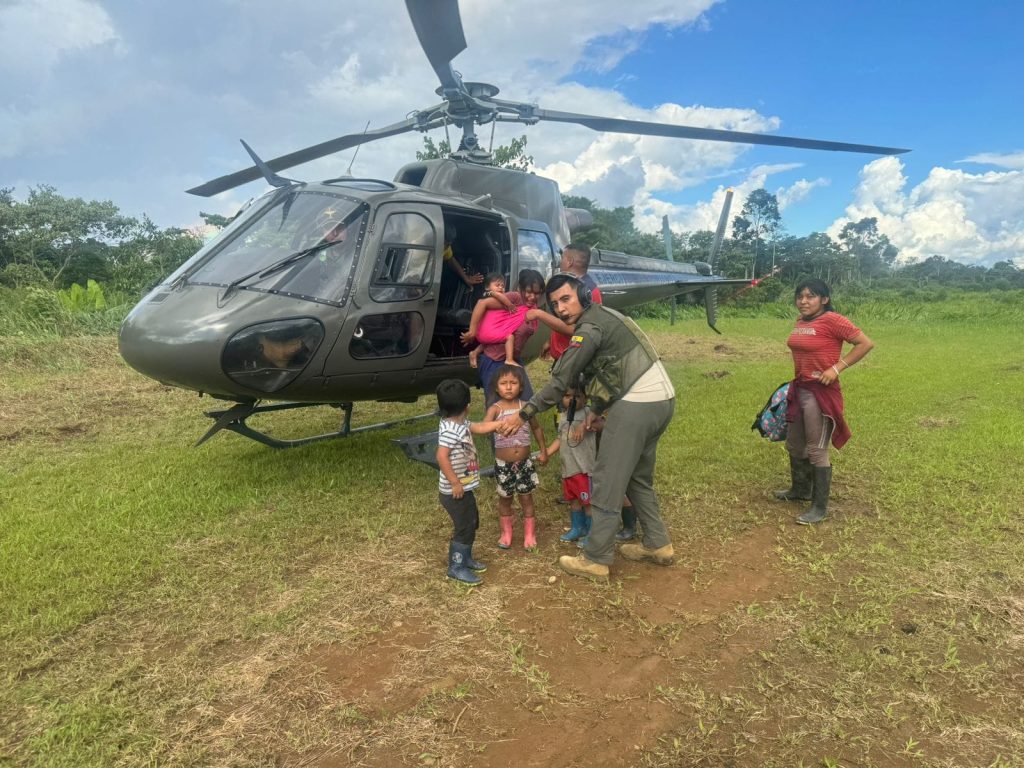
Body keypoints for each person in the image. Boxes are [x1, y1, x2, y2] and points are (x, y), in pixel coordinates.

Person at [496, 273, 677, 581]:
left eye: (566, 299)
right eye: (554, 304)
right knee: (637, 478)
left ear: (583, 295)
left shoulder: (588, 329)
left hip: (636, 404)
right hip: (662, 399)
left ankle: (596, 559)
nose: (561, 309)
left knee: (606, 480)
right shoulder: (605, 316)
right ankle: (658, 545)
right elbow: (613, 369)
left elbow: (560, 381)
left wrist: (523, 414)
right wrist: (595, 408)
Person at [774, 279, 874, 525]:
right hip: (800, 389)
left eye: (811, 296)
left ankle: (819, 508)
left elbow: (865, 343)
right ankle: (800, 490)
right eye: (800, 296)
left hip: (821, 392)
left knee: (817, 449)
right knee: (795, 444)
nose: (803, 301)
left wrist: (837, 368)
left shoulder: (833, 320)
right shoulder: (801, 322)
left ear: (824, 299)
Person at [435, 379, 502, 585]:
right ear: (467, 406)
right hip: (453, 492)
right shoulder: (449, 431)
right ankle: (456, 567)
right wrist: (455, 482)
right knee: (464, 527)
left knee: (472, 523)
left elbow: (480, 427)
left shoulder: (459, 423)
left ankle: (466, 558)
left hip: (464, 489)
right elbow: (441, 456)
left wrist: (498, 425)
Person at [465, 269, 552, 406]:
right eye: (529, 291)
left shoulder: (533, 308)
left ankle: (530, 427)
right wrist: (472, 331)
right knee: (496, 406)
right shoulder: (513, 299)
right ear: (520, 288)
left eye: (537, 293)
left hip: (513, 359)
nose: (532, 296)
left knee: (525, 401)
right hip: (494, 360)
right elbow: (483, 304)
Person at [485, 365, 548, 550]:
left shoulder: (526, 408)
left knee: (526, 498)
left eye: (513, 382)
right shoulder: (495, 409)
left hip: (524, 463)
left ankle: (530, 534)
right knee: (505, 499)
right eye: (504, 383)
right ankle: (506, 533)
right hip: (503, 464)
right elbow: (484, 427)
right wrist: (496, 425)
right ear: (497, 388)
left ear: (521, 386)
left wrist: (543, 450)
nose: (509, 387)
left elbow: (536, 428)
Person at [545, 384, 598, 546]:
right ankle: (578, 528)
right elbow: (560, 439)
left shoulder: (588, 413)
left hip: (584, 469)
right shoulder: (562, 416)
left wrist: (587, 426)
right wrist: (546, 453)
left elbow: (600, 424)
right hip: (568, 469)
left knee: (587, 503)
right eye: (568, 396)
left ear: (586, 398)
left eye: (576, 396)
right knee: (574, 501)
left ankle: (592, 534)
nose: (571, 400)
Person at [542, 243, 604, 361]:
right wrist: (551, 342)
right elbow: (564, 320)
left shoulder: (588, 292)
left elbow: (575, 329)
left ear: (569, 261)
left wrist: (539, 314)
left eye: (562, 259)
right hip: (564, 357)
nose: (560, 263)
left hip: (572, 362)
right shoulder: (572, 286)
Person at [442, 224, 484, 289]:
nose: (445, 247)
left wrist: (466, 278)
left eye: (448, 244)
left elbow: (450, 259)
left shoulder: (446, 248)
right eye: (444, 243)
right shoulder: (424, 245)